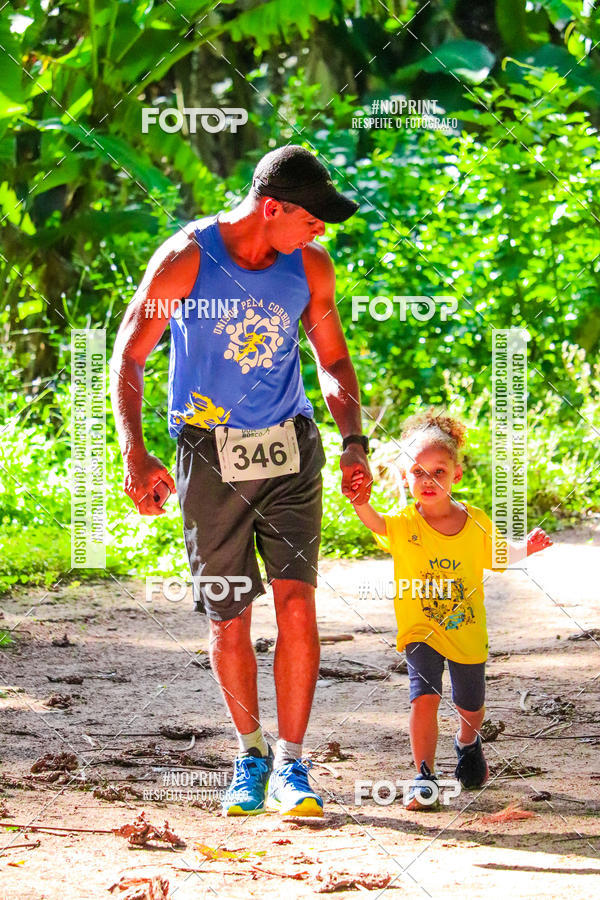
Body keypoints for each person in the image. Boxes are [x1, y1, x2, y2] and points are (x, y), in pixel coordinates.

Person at [110, 145, 373, 818]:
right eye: (312, 218)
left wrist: (352, 441)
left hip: (290, 445)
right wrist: (136, 454)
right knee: (229, 615)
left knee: (296, 602)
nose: (322, 230)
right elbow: (130, 354)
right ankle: (250, 754)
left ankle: (292, 764)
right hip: (208, 451)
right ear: (273, 207)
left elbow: (333, 357)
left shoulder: (311, 265)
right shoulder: (189, 256)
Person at [348, 409, 552, 810]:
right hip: (420, 628)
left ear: (456, 475)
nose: (428, 481)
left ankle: (467, 740)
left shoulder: (475, 522)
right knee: (423, 697)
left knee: (469, 704)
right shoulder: (405, 524)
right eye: (418, 472)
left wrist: (526, 547)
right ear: (406, 477)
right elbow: (375, 523)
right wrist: (359, 501)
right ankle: (423, 776)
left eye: (438, 472)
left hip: (466, 630)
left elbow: (499, 553)